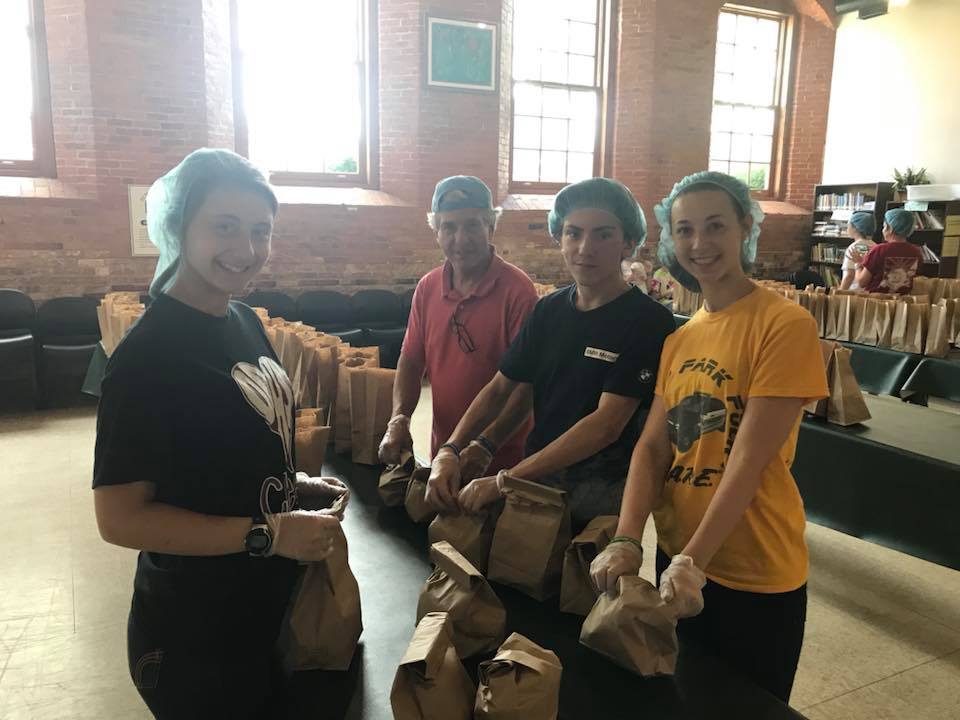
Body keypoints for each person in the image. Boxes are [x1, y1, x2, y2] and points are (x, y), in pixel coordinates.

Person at [93, 149, 348, 719]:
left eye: (261, 231)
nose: (247, 250)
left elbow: (232, 441)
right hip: (195, 629)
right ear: (179, 226)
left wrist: (291, 485)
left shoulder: (240, 320)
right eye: (224, 227)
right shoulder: (148, 357)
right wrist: (269, 535)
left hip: (263, 606)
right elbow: (119, 519)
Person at [588, 171, 828, 703]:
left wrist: (694, 561)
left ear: (746, 225)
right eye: (685, 229)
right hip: (676, 558)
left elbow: (749, 460)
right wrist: (630, 537)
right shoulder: (681, 337)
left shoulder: (783, 325)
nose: (699, 244)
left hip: (753, 570)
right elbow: (653, 447)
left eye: (715, 225)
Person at [427, 178, 675, 531]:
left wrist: (503, 479)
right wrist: (451, 450)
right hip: (536, 482)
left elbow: (605, 425)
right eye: (573, 233)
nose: (585, 248)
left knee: (580, 584)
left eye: (602, 234)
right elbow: (501, 388)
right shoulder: (550, 310)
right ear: (558, 238)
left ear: (629, 242)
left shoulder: (648, 321)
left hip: (599, 498)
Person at [378, 176, 538, 483]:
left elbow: (527, 386)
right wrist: (399, 418)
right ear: (436, 231)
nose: (460, 238)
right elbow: (411, 361)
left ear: (491, 227)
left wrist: (486, 445)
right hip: (444, 452)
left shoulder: (519, 292)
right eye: (449, 227)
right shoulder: (428, 287)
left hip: (503, 458)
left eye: (472, 225)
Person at [855, 208, 923, 294]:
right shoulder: (916, 252)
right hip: (902, 303)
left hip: (876, 302)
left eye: (884, 226)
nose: (883, 230)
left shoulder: (879, 250)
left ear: (889, 228)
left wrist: (858, 265)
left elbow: (862, 282)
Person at [839, 211, 876, 290]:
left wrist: (840, 291)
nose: (847, 228)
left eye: (848, 225)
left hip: (853, 293)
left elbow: (849, 275)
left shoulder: (854, 248)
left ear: (855, 228)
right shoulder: (876, 247)